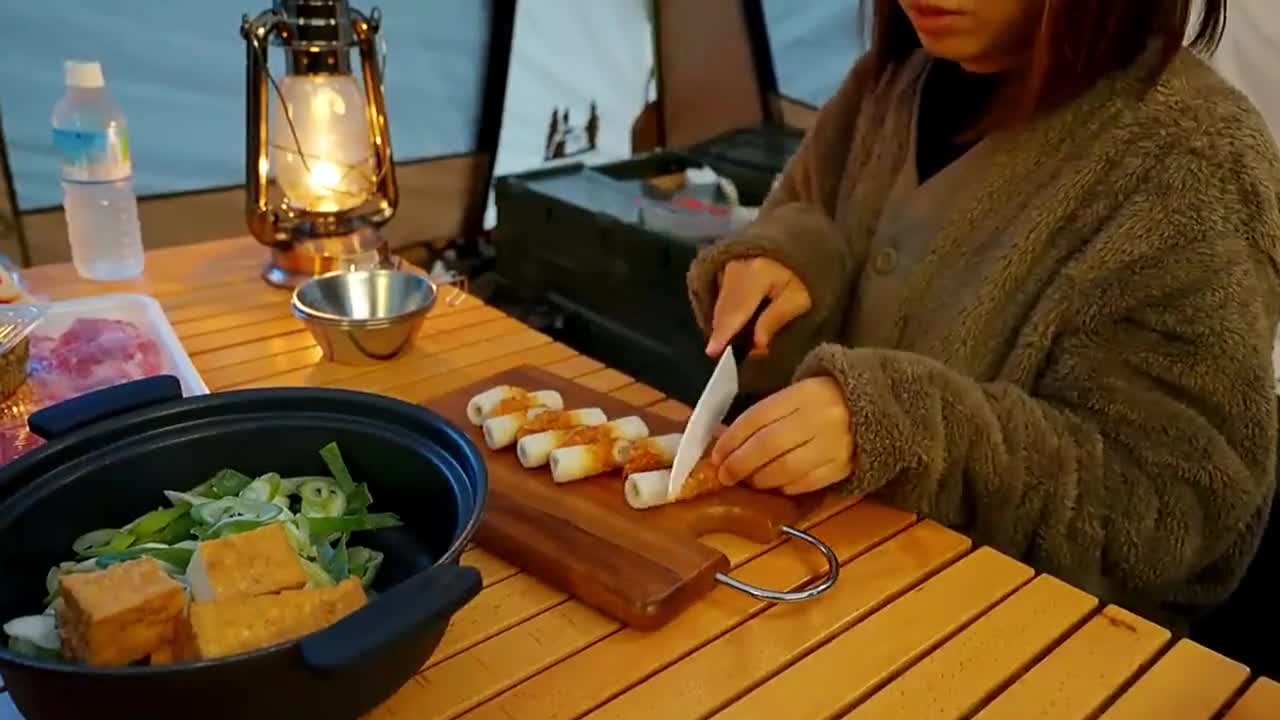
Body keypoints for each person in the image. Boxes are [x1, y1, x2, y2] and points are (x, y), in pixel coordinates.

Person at [688, 0, 1280, 673]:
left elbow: (1168, 503)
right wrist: (787, 257)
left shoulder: (1192, 158)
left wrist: (901, 423)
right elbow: (808, 209)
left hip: (1042, 658)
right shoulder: (893, 82)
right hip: (827, 592)